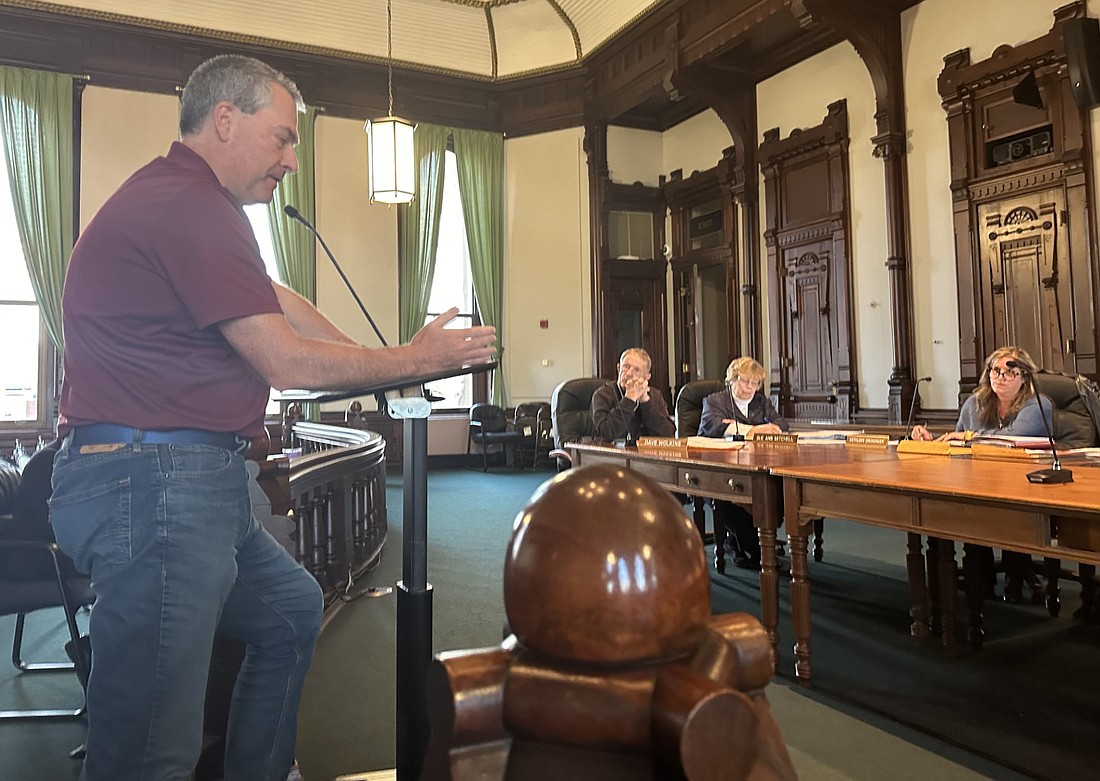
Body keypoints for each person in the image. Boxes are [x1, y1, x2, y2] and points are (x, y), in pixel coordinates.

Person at [48, 54, 496, 781]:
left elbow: (277, 301)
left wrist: (377, 355)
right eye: (283, 138)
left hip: (190, 480)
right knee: (148, 750)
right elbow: (286, 362)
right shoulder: (185, 205)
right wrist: (412, 359)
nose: (292, 160)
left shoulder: (199, 205)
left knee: (289, 610)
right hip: (150, 484)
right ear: (225, 120)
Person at [910, 346, 1052, 602]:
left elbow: (1015, 438)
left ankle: (1012, 574)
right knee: (965, 512)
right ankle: (980, 579)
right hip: (978, 483)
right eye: (995, 371)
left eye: (1010, 372)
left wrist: (969, 438)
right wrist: (932, 441)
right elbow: (958, 443)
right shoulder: (974, 403)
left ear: (1024, 377)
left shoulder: (1038, 405)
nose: (1000, 377)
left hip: (1023, 486)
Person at [698, 357, 788, 572]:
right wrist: (752, 430)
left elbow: (781, 424)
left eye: (755, 383)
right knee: (737, 497)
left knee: (775, 491)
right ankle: (752, 551)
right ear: (732, 380)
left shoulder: (760, 402)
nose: (750, 388)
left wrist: (748, 427)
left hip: (754, 465)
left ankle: (755, 545)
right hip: (716, 470)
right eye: (745, 381)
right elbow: (714, 427)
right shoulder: (715, 401)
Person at [591, 347, 674, 442]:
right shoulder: (601, 395)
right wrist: (629, 398)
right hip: (610, 454)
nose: (629, 373)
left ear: (647, 377)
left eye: (637, 370)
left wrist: (645, 401)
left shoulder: (655, 395)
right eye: (626, 367)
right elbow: (608, 433)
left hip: (645, 454)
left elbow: (667, 435)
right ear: (618, 368)